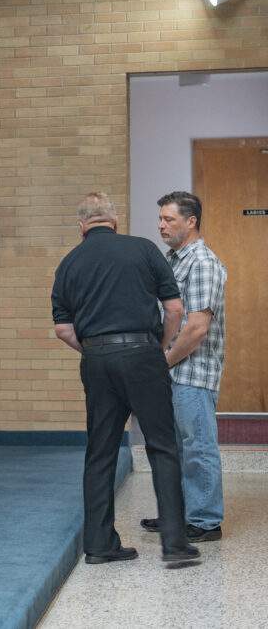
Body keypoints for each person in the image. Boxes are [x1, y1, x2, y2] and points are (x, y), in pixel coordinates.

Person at [51, 192, 199, 564]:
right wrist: (160, 348)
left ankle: (100, 546)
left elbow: (63, 330)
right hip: (143, 354)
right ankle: (175, 545)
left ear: (82, 226)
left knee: (100, 452)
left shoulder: (69, 263)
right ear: (114, 221)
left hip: (97, 360)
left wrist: (98, 351)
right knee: (163, 446)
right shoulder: (143, 249)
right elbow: (175, 308)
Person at [140, 191, 227, 543]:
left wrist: (161, 364)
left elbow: (197, 328)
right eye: (160, 218)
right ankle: (178, 515)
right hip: (175, 371)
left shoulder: (202, 262)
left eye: (169, 219)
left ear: (191, 221)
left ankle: (205, 521)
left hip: (193, 373)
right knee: (173, 448)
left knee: (198, 447)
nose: (161, 225)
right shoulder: (175, 260)